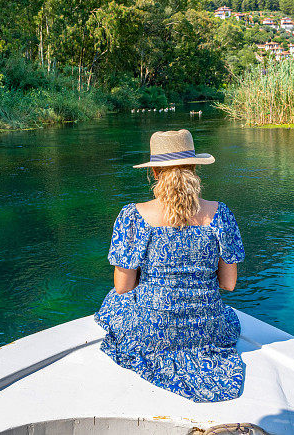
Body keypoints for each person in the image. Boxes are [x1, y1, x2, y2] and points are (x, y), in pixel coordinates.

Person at [94, 129, 246, 402]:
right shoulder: (220, 214)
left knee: (112, 303)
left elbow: (123, 287)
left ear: (154, 172)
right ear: (194, 168)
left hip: (154, 331)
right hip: (207, 329)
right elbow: (229, 284)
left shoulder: (134, 215)